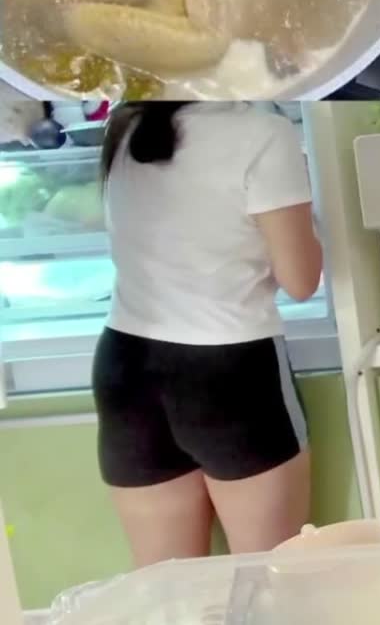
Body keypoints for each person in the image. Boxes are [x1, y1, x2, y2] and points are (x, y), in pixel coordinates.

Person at [92, 101, 322, 567]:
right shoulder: (264, 133)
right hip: (230, 371)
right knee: (268, 580)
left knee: (168, 589)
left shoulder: (128, 124)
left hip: (125, 366)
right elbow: (300, 281)